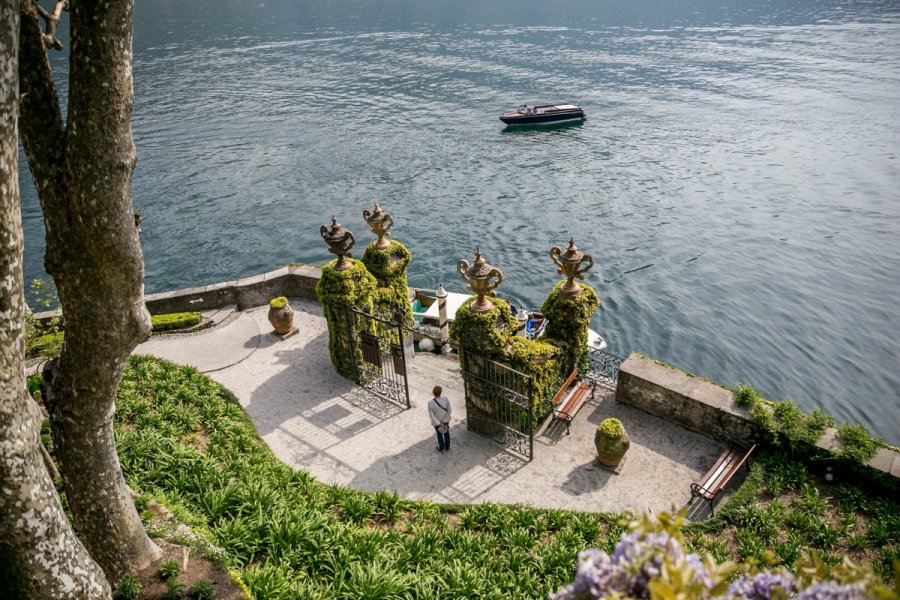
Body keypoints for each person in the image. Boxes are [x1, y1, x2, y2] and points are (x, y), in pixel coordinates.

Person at [427, 385, 452, 452]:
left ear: (433, 393)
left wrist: (439, 423)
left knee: (439, 434)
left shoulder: (430, 403)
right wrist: (444, 421)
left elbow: (432, 416)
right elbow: (449, 411)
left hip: (437, 422)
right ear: (440, 392)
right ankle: (447, 447)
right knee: (447, 433)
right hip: (445, 421)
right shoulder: (445, 399)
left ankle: (441, 447)